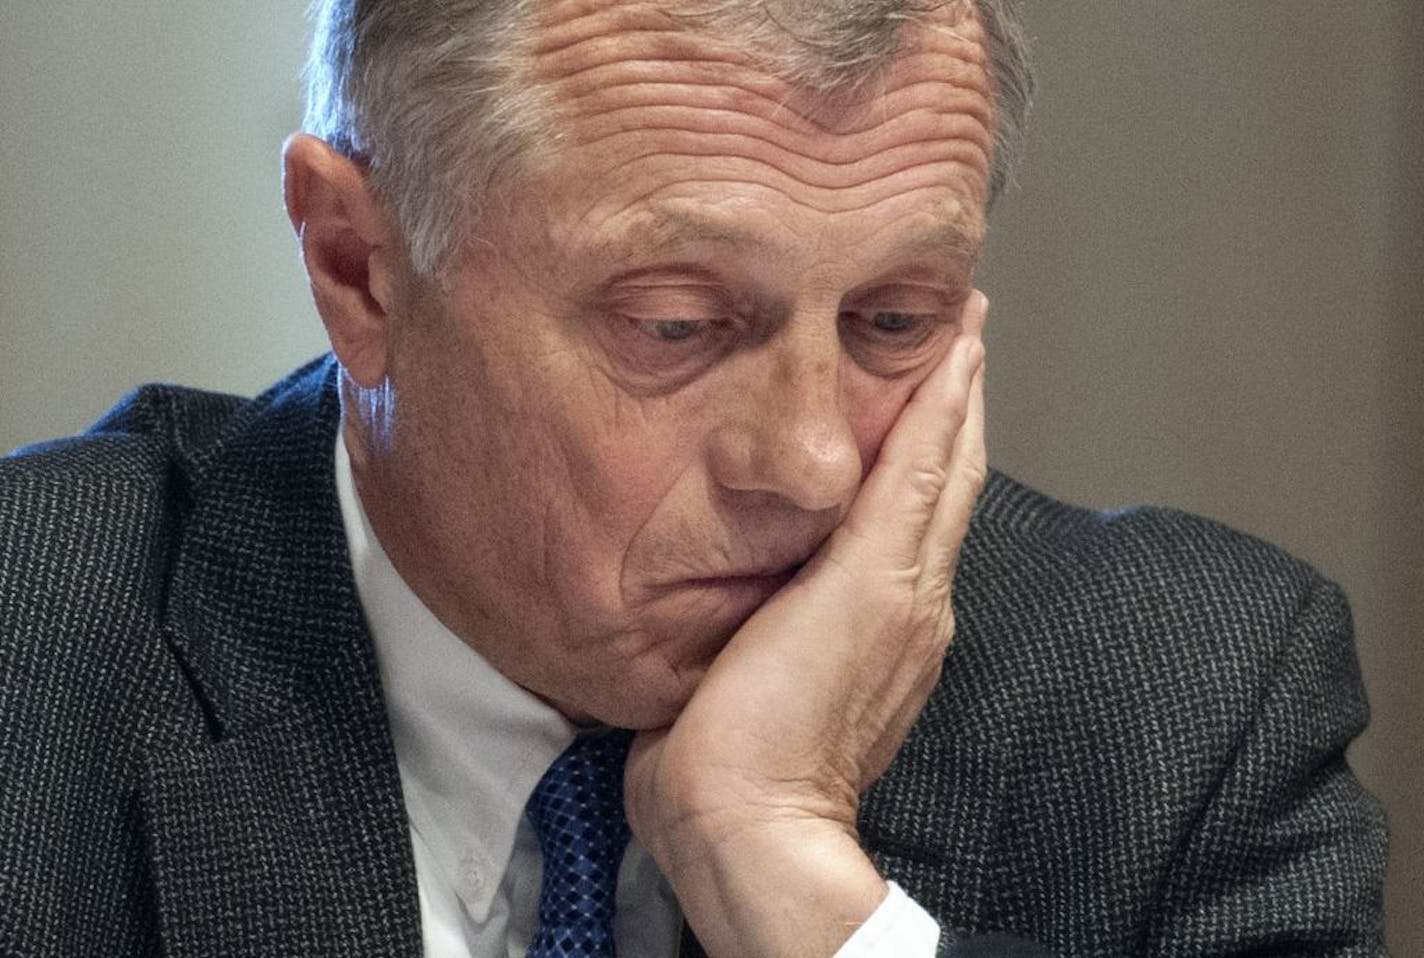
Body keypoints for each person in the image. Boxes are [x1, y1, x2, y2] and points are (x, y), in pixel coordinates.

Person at [0, 1, 1387, 955]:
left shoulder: (1184, 714)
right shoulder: (33, 659)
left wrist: (791, 873)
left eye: (893, 320)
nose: (814, 464)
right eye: (676, 325)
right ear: (359, 267)